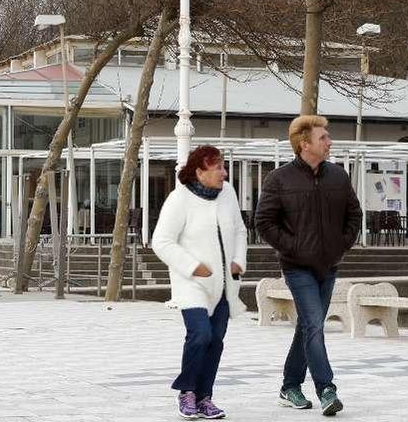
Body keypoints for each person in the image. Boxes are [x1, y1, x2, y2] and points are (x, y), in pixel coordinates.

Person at [255, 115, 361, 417]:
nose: (329, 142)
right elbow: (264, 222)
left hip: (328, 266)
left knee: (307, 325)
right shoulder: (279, 179)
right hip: (296, 267)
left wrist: (340, 245)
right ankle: (327, 389)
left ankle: (289, 386)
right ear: (305, 144)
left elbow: (355, 215)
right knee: (315, 324)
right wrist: (294, 248)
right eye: (323, 137)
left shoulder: (339, 177)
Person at [151, 145, 248, 420]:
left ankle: (205, 397)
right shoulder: (178, 199)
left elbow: (240, 230)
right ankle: (186, 391)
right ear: (199, 172)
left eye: (223, 166)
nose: (224, 173)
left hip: (225, 284)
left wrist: (238, 260)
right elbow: (161, 242)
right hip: (191, 283)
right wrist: (193, 267)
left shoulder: (227, 193)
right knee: (201, 335)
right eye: (217, 168)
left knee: (216, 340)